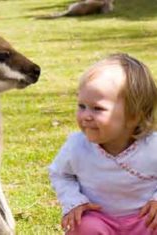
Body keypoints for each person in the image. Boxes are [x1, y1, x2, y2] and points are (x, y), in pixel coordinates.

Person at [48, 53, 157, 235]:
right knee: (83, 227)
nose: (85, 116)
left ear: (133, 116)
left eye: (97, 108)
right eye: (81, 106)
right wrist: (74, 201)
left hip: (145, 220)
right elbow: (60, 174)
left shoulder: (152, 146)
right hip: (99, 219)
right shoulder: (77, 146)